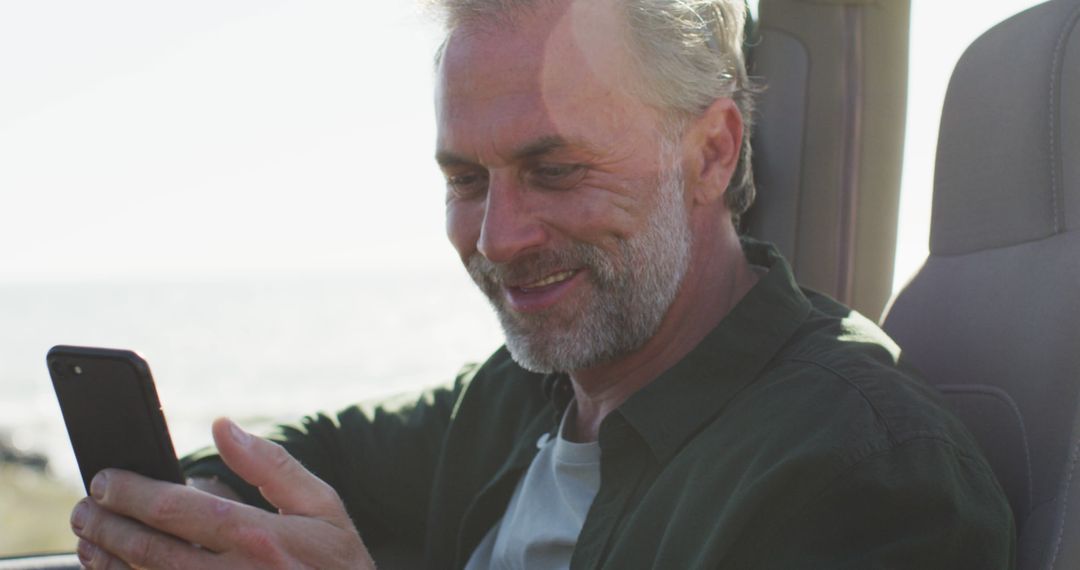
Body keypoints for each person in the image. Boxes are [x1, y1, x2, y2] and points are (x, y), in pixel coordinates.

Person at [67, 0, 1016, 567]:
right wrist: (176, 515)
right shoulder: (524, 394)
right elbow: (315, 452)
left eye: (557, 170)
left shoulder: (857, 471)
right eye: (464, 180)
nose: (498, 237)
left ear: (712, 152)